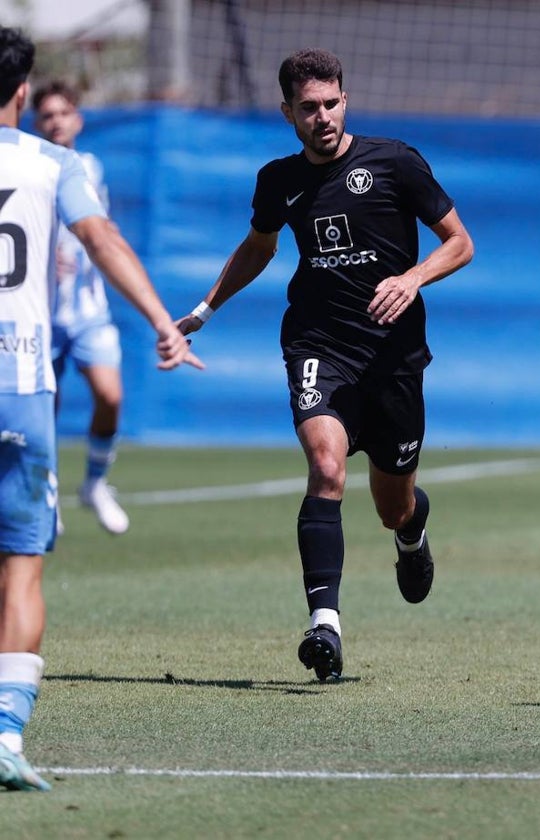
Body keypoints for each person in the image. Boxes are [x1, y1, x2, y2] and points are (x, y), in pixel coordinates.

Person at [176, 48, 473, 683]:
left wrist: (414, 277)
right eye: (308, 107)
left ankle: (412, 534)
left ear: (346, 100)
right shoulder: (277, 179)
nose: (323, 117)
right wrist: (205, 308)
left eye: (331, 103)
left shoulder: (395, 161)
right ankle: (325, 626)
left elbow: (461, 242)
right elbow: (259, 246)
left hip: (393, 358)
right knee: (326, 467)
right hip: (319, 345)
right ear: (287, 112)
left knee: (392, 505)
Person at [0, 26, 201, 791]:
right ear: (23, 93)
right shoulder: (53, 165)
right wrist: (161, 320)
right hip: (20, 383)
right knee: (20, 566)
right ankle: (6, 735)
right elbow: (104, 238)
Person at [33, 80, 129, 535]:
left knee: (110, 395)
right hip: (39, 312)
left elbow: (96, 230)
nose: (56, 122)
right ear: (37, 122)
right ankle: (46, 490)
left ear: (78, 119)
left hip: (89, 311)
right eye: (47, 115)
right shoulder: (28, 167)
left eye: (63, 113)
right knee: (42, 409)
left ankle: (94, 483)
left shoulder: (89, 166)